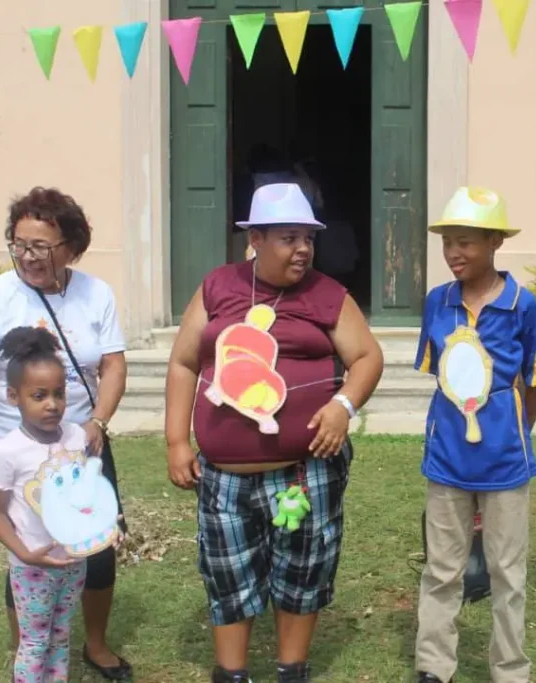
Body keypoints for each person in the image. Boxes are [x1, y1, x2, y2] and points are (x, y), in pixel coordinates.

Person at [164, 182, 384, 683]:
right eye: (288, 237)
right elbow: (182, 362)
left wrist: (342, 405)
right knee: (228, 571)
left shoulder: (327, 295)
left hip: (305, 473)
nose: (303, 249)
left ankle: (291, 670)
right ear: (255, 240)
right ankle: (232, 673)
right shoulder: (218, 287)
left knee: (304, 569)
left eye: (308, 237)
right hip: (224, 475)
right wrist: (177, 440)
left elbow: (367, 357)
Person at [0, 187, 132, 679]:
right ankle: (28, 650)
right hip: (20, 448)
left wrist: (97, 421)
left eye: (41, 246)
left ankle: (94, 645)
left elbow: (114, 365)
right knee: (27, 547)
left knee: (95, 548)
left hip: (83, 445)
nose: (28, 256)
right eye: (19, 243)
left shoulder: (95, 293)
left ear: (71, 247)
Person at [413, 187, 536, 683]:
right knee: (441, 569)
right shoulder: (438, 302)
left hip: (505, 460)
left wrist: (513, 431)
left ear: (495, 242)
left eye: (466, 242)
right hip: (447, 458)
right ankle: (434, 665)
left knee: (507, 575)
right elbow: (442, 376)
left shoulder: (522, 306)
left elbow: (535, 381)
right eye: (448, 242)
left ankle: (510, 669)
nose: (454, 252)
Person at [0, 326, 91, 682]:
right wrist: (24, 554)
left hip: (74, 561)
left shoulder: (76, 437)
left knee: (61, 637)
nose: (52, 404)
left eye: (59, 393)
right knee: (34, 642)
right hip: (32, 568)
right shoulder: (8, 451)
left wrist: (104, 527)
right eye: (39, 395)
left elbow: (84, 495)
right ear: (14, 396)